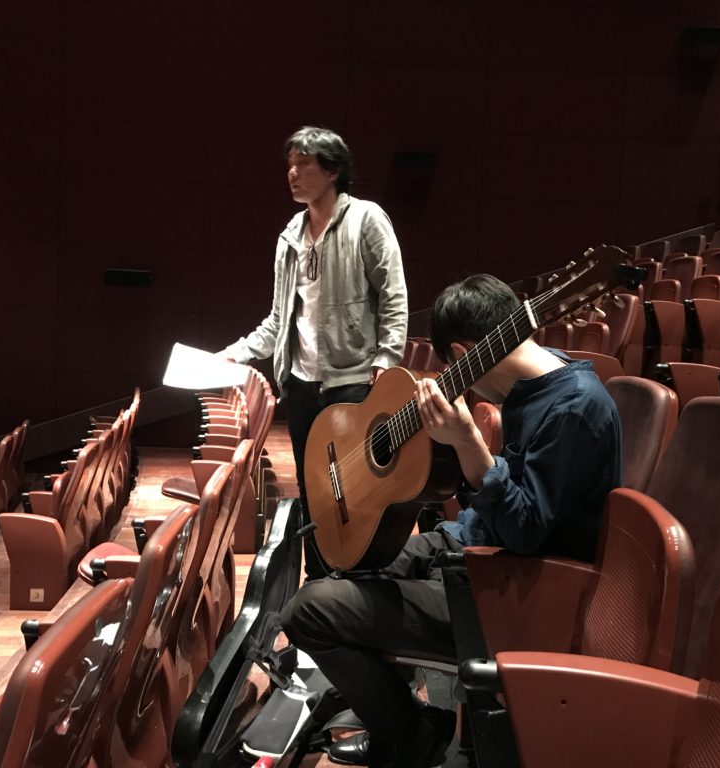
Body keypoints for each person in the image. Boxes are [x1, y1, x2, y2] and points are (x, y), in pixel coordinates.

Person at [281, 274, 622, 768]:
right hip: (472, 551)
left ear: (462, 354)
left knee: (308, 612)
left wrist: (468, 443)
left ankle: (414, 737)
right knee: (347, 565)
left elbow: (525, 534)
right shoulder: (538, 383)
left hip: (514, 593)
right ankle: (391, 713)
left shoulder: (574, 408)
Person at [221, 126, 408, 579]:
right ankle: (318, 578)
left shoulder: (366, 219)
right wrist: (234, 354)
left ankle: (357, 577)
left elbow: (394, 295)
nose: (293, 172)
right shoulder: (290, 236)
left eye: (304, 163)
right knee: (313, 489)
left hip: (352, 381)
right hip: (301, 385)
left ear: (333, 170)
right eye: (290, 164)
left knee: (354, 487)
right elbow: (277, 321)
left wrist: (387, 359)